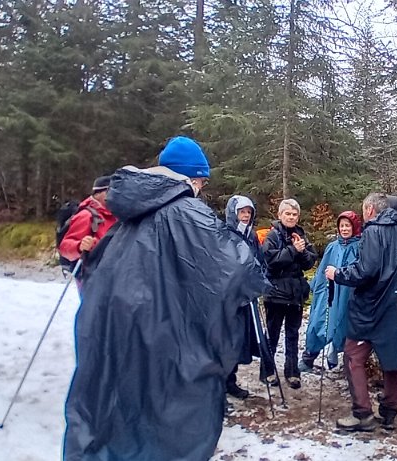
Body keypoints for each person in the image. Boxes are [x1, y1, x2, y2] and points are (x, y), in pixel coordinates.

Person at [63, 136, 269, 461]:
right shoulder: (188, 212)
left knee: (121, 419)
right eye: (201, 180)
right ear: (190, 177)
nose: (201, 187)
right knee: (165, 423)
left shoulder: (129, 216)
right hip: (166, 336)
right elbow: (238, 271)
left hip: (121, 329)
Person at [326, 193, 397, 432]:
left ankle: (362, 413)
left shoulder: (374, 231)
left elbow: (366, 271)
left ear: (370, 210)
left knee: (353, 356)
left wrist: (338, 274)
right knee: (392, 359)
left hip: (371, 307)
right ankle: (389, 411)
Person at [261, 199, 317, 389]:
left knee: (293, 334)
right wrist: (293, 250)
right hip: (276, 292)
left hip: (295, 293)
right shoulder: (272, 236)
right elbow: (271, 261)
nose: (291, 217)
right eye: (288, 214)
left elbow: (309, 262)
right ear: (280, 215)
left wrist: (301, 252)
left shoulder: (301, 235)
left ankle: (292, 372)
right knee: (273, 334)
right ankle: (267, 371)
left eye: (294, 214)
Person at [300, 210, 363, 372]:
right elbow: (322, 269)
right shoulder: (332, 247)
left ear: (354, 227)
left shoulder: (360, 247)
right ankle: (309, 357)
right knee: (319, 322)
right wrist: (315, 287)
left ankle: (338, 358)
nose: (344, 229)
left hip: (348, 293)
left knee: (343, 324)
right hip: (329, 292)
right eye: (342, 226)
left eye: (347, 225)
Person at [223, 194, 265, 399]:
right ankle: (223, 381)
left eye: (249, 212)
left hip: (247, 296)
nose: (246, 216)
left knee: (240, 339)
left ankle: (230, 380)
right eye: (242, 212)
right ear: (233, 213)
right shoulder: (224, 234)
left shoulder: (251, 235)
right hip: (228, 297)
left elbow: (259, 260)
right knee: (227, 339)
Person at [58, 176, 117, 290]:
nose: (114, 195)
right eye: (110, 191)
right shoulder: (86, 215)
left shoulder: (115, 215)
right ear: (97, 193)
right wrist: (79, 246)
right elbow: (64, 247)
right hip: (91, 278)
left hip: (111, 276)